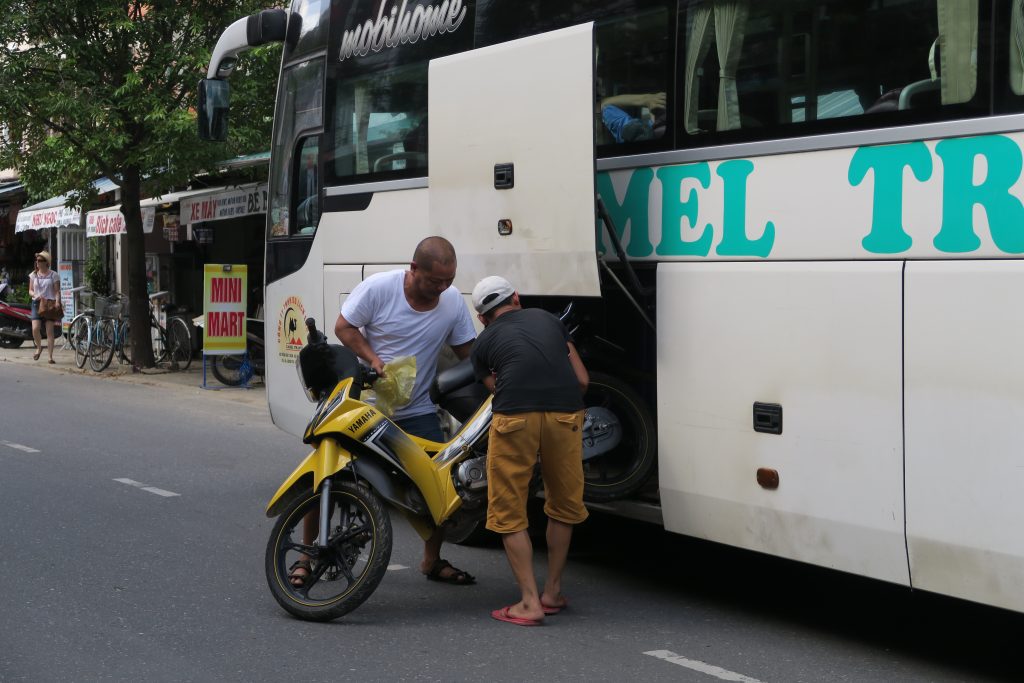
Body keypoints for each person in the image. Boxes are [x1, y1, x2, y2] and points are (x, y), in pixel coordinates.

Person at [286, 236, 477, 589]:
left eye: (448, 281)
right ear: (414, 268)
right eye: (435, 281)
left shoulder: (451, 302)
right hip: (364, 404)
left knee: (438, 483)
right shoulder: (379, 288)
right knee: (325, 474)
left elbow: (468, 349)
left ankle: (431, 560)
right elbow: (344, 327)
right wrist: (374, 360)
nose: (442, 288)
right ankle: (307, 555)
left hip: (416, 408)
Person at [469, 276, 590, 626]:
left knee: (508, 509)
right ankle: (552, 592)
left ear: (482, 318)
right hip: (566, 412)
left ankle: (528, 602)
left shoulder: (483, 342)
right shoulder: (552, 321)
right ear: (516, 299)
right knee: (563, 503)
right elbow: (582, 380)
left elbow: (498, 389)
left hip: (515, 417)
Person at [28, 251, 61, 364]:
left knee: (49, 331)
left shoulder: (54, 275)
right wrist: (35, 295)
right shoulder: (33, 275)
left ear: (46, 263)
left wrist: (57, 302)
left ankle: (50, 357)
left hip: (49, 305)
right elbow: (30, 290)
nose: (38, 262)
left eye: (40, 260)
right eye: (37, 260)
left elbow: (57, 291)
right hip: (37, 303)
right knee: (35, 328)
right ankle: (39, 347)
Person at [601, 92, 666, 143]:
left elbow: (604, 104)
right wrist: (648, 100)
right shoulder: (645, 130)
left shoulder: (636, 133)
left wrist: (648, 99)